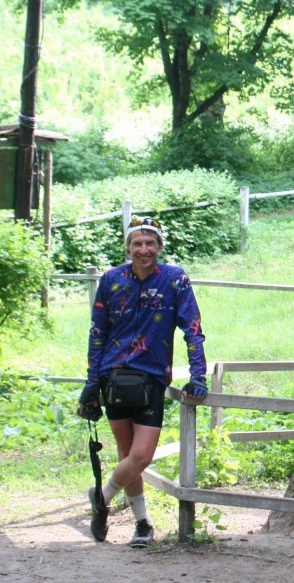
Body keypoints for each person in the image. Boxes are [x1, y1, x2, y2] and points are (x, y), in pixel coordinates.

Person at [77, 216, 208, 547]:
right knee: (126, 453)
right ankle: (142, 524)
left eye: (150, 243)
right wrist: (91, 383)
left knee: (141, 456)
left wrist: (198, 375)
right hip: (113, 378)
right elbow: (97, 333)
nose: (144, 249)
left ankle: (101, 497)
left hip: (151, 378)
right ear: (128, 247)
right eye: (137, 243)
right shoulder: (111, 280)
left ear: (159, 246)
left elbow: (192, 328)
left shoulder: (175, 279)